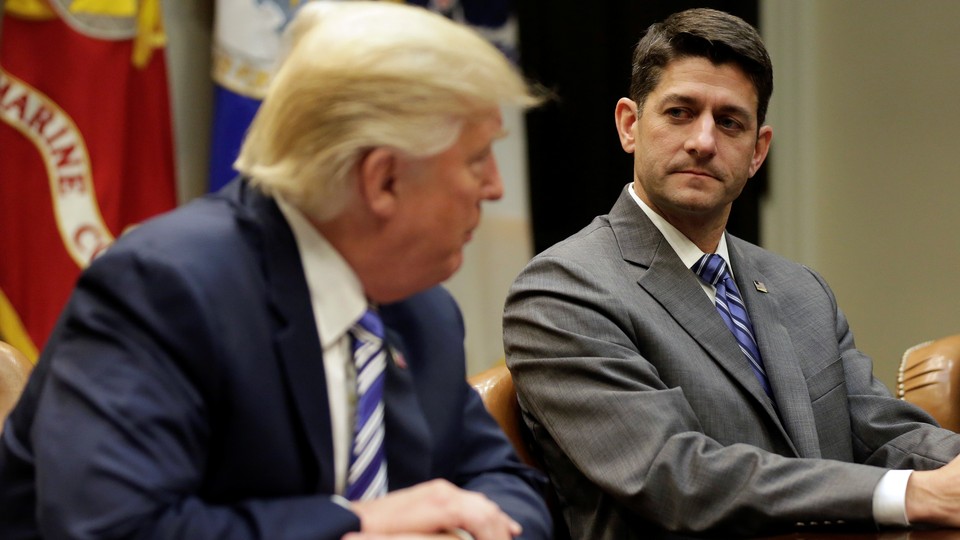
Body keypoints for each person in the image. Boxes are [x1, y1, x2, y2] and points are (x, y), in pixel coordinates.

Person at [0, 2, 551, 539]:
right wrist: (359, 523)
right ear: (382, 179)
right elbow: (114, 526)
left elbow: (505, 484)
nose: (495, 187)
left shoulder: (420, 309)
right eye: (477, 159)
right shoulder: (165, 289)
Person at [503, 7, 960, 539]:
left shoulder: (799, 288)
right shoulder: (562, 291)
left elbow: (881, 430)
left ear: (757, 151)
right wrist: (908, 493)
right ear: (630, 125)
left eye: (729, 121)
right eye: (679, 112)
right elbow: (676, 477)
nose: (702, 140)